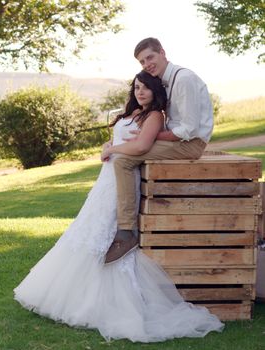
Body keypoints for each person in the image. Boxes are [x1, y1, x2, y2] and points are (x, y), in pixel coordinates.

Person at [13, 70, 224, 343]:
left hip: (121, 181)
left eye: (146, 88)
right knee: (88, 230)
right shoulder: (132, 114)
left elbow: (140, 147)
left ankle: (117, 288)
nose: (140, 92)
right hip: (106, 181)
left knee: (107, 233)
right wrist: (108, 144)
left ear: (155, 92)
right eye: (136, 87)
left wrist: (112, 151)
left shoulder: (155, 115)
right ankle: (73, 295)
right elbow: (119, 140)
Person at [105, 37, 214, 264]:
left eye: (150, 57)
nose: (147, 64)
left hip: (189, 145)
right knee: (130, 150)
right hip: (178, 142)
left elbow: (189, 129)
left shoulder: (182, 79)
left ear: (163, 52)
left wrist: (150, 135)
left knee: (123, 159)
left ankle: (126, 233)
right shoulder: (165, 80)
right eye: (142, 62)